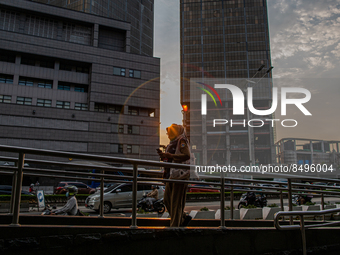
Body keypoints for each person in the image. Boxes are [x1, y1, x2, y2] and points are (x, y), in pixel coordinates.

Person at [158, 123, 192, 227]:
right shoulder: (172, 143)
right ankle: (182, 218)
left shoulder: (181, 141)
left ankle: (175, 227)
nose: (168, 134)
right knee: (167, 200)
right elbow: (171, 158)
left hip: (179, 175)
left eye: (169, 132)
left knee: (176, 203)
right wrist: (164, 156)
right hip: (171, 175)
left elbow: (186, 155)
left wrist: (171, 155)